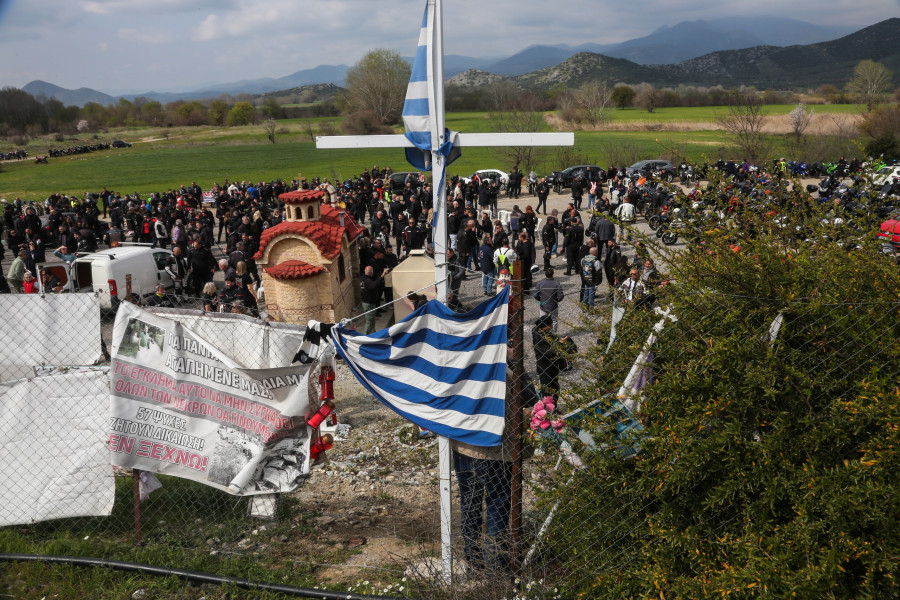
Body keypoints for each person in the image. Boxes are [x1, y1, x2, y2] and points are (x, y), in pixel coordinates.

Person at [532, 314, 567, 399]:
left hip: (553, 365)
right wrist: (560, 344)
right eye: (550, 325)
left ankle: (553, 407)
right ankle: (548, 409)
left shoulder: (544, 332)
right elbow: (548, 352)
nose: (552, 327)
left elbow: (555, 339)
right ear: (544, 326)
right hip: (545, 366)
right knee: (547, 390)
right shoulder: (539, 337)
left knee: (555, 387)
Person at [360, 265, 388, 335]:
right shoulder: (367, 280)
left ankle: (373, 333)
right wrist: (382, 276)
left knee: (372, 320)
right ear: (371, 272)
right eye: (372, 271)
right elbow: (373, 285)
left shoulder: (363, 278)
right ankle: (365, 337)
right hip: (369, 304)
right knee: (369, 321)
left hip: (368, 303)